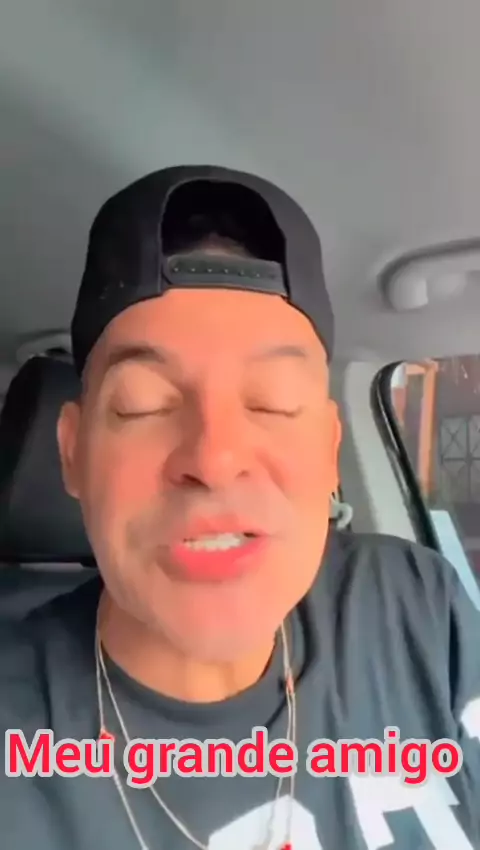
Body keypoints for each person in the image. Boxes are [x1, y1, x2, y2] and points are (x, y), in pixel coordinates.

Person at [1, 165, 480, 850]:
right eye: (144, 404)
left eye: (274, 402)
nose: (216, 457)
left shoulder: (415, 606)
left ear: (330, 449)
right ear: (73, 453)